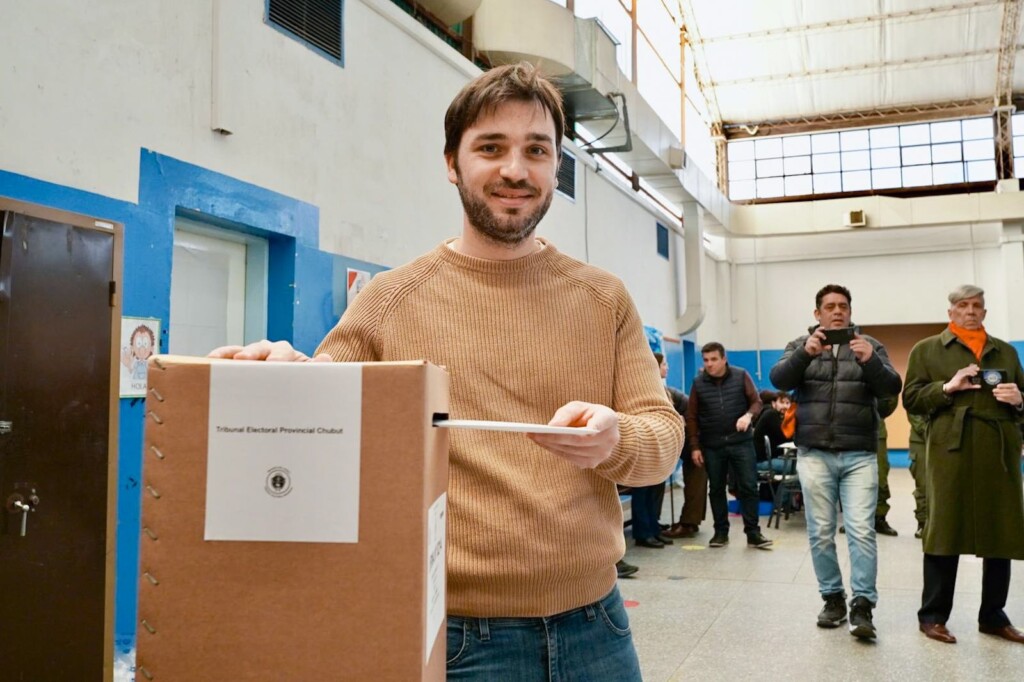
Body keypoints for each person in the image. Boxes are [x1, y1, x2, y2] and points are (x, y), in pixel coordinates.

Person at [210, 63, 683, 679]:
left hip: (598, 628)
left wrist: (616, 436)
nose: (516, 170)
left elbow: (662, 442)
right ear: (452, 163)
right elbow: (320, 410)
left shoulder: (604, 299)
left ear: (556, 168)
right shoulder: (391, 298)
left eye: (536, 150)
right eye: (491, 148)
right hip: (460, 637)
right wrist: (279, 376)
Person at [769, 284, 902, 640]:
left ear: (850, 310)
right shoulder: (801, 345)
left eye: (843, 306)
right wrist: (805, 355)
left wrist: (870, 361)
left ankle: (862, 605)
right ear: (818, 314)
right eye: (830, 306)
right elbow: (778, 379)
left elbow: (892, 387)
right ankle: (832, 599)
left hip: (859, 453)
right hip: (814, 453)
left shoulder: (869, 345)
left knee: (861, 530)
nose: (837, 311)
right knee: (821, 533)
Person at [903, 284, 1024, 646]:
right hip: (948, 450)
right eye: (963, 305)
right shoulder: (927, 350)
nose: (970, 311)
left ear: (984, 313)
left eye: (977, 306)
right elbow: (910, 399)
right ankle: (933, 615)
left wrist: (1019, 399)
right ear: (951, 311)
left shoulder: (1004, 351)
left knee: (999, 530)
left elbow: (1023, 398)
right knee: (945, 527)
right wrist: (946, 388)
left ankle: (993, 615)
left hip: (998, 449)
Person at [685, 342, 772, 550]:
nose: (709, 364)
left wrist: (748, 416)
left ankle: (753, 533)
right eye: (706, 360)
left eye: (714, 359)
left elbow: (757, 402)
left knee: (749, 486)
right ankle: (720, 533)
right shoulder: (698, 383)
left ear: (724, 359)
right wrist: (695, 447)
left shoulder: (741, 375)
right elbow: (692, 417)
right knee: (715, 489)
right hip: (712, 445)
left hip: (741, 442)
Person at [629, 352, 679, 549]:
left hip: (659, 449)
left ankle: (654, 528)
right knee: (642, 492)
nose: (666, 367)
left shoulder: (663, 390)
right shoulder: (643, 391)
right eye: (663, 364)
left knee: (654, 492)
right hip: (644, 449)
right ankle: (642, 533)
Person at [753, 390, 791, 473]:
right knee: (799, 466)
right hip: (762, 462)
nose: (785, 406)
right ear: (774, 404)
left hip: (770, 459)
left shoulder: (776, 416)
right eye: (782, 402)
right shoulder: (771, 415)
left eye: (787, 403)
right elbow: (785, 436)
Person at [906, 412, 929, 539]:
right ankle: (923, 523)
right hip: (920, 438)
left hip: (947, 435)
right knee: (923, 484)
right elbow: (913, 408)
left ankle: (946, 524)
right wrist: (925, 429)